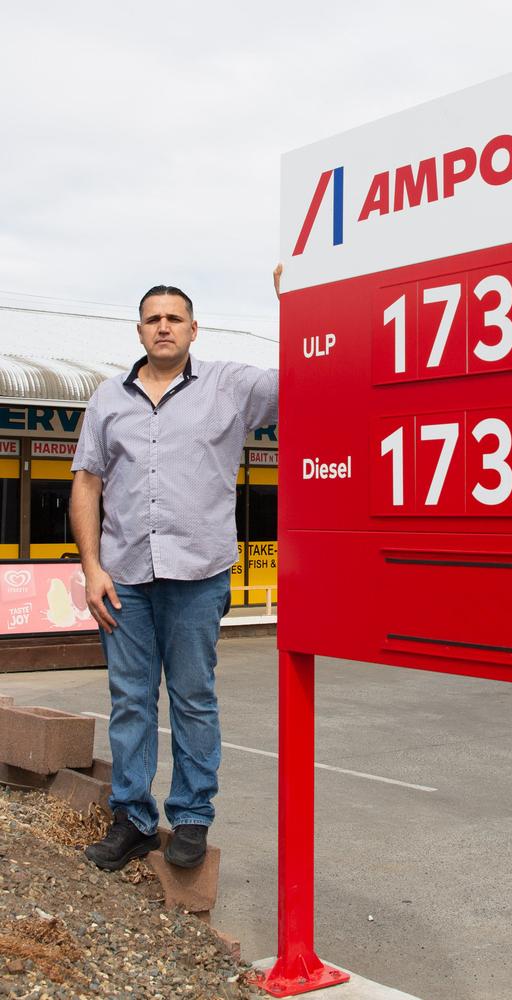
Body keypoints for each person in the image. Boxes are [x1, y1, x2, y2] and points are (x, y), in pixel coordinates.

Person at [70, 273, 281, 871]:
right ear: (139, 330)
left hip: (198, 574)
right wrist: (92, 568)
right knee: (130, 700)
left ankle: (190, 818)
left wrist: (296, 301)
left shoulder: (232, 386)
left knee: (192, 697)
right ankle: (132, 819)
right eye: (152, 318)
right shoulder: (108, 398)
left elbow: (306, 381)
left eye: (174, 318)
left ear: (193, 328)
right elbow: (86, 482)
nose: (163, 326)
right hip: (124, 579)